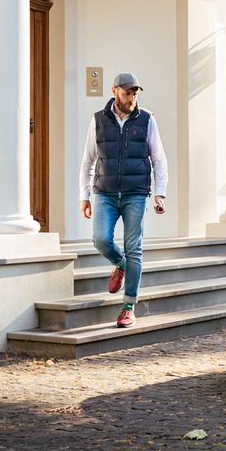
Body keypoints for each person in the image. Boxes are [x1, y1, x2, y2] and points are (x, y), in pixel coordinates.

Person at [79, 72, 168, 328]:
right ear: (114, 91)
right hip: (104, 193)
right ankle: (121, 265)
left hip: (135, 194)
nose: (132, 97)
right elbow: (88, 160)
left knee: (134, 248)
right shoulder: (98, 120)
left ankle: (129, 306)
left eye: (135, 92)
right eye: (127, 92)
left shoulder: (147, 119)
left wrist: (159, 193)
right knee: (101, 240)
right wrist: (84, 196)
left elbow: (158, 159)